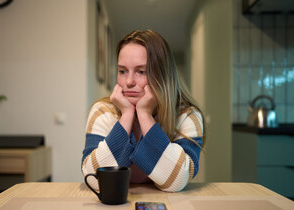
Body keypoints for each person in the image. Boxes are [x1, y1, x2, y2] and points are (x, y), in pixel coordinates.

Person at [82, 30, 205, 192]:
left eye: (141, 71)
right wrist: (126, 116)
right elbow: (93, 179)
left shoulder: (187, 116)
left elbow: (177, 182)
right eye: (122, 71)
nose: (129, 81)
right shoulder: (102, 111)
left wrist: (145, 115)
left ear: (162, 76)